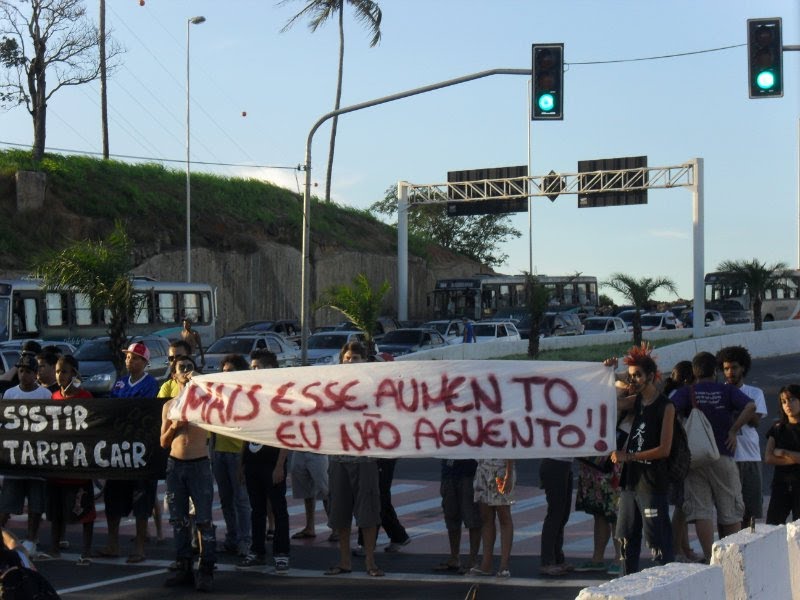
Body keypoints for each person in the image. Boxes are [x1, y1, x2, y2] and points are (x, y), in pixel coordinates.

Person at [670, 351, 756, 562]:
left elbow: (668, 409)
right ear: (715, 371)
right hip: (722, 454)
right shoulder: (725, 391)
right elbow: (751, 406)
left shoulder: (687, 392)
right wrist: (734, 430)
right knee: (730, 508)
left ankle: (710, 557)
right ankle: (733, 557)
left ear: (694, 372)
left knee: (701, 510)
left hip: (695, 458)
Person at [608, 344, 675, 574]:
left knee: (658, 543)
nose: (633, 380)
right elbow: (611, 402)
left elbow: (664, 449)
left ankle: (666, 586)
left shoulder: (666, 406)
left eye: (638, 375)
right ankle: (628, 584)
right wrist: (612, 373)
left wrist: (630, 456)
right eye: (631, 376)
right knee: (626, 538)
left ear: (651, 376)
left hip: (652, 483)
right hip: (630, 482)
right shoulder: (635, 401)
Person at [324, 341, 383, 578]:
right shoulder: (332, 386)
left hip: (365, 458)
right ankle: (345, 561)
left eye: (355, 358)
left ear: (364, 360)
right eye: (347, 358)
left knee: (368, 514)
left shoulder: (373, 386)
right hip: (338, 458)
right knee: (340, 514)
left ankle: (370, 561)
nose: (350, 362)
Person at [161, 355, 216, 591]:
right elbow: (163, 442)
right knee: (179, 520)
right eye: (180, 368)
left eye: (188, 367)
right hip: (176, 466)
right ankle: (184, 566)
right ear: (174, 375)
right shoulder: (168, 406)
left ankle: (206, 570)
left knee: (203, 520)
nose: (185, 371)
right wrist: (175, 425)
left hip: (199, 465)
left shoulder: (204, 403)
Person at [101, 342, 159, 563]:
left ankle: (140, 548)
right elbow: (111, 406)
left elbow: (142, 408)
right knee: (113, 498)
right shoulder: (120, 382)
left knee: (141, 500)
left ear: (144, 362)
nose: (130, 361)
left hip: (141, 451)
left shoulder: (150, 383)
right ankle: (112, 544)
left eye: (135, 358)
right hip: (119, 450)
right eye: (127, 357)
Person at [237, 349, 290, 574]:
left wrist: (280, 465)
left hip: (272, 462)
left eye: (257, 367)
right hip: (252, 461)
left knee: (278, 509)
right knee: (256, 509)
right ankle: (257, 551)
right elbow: (245, 431)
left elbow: (287, 433)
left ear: (269, 368)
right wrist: (242, 463)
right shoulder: (251, 396)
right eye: (252, 367)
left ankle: (282, 553)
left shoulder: (280, 396)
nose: (253, 370)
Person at [0, 354, 52, 559]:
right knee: (7, 503)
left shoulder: (45, 395)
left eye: (28, 371)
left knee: (36, 504)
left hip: (37, 458)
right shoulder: (10, 394)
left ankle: (31, 540)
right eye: (21, 371)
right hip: (15, 458)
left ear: (35, 373)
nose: (23, 375)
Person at [47, 355, 95, 565]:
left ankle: (86, 550)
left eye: (64, 371)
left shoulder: (85, 396)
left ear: (74, 373)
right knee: (56, 510)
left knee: (84, 510)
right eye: (58, 371)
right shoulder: (54, 397)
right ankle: (55, 547)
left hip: (79, 465)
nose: (60, 376)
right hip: (59, 464)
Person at [717, 346, 767, 530]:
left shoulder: (755, 393)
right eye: (726, 368)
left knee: (751, 509)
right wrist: (744, 407)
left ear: (743, 368)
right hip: (726, 456)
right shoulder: (718, 393)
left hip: (750, 457)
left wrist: (739, 402)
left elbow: (755, 420)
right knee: (727, 509)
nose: (730, 372)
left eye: (734, 367)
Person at [212, 354, 252, 557]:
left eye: (231, 371)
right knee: (226, 499)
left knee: (241, 499)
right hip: (219, 451)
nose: (226, 374)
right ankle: (232, 537)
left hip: (237, 453)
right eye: (224, 371)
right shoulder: (218, 395)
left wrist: (244, 461)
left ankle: (245, 540)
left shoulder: (245, 396)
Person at [662, 360, 700, 563]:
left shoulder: (671, 394)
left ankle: (684, 547)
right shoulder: (679, 397)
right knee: (682, 505)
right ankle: (676, 550)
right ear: (687, 380)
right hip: (678, 456)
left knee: (681, 505)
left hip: (674, 455)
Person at [433, 459, 481, 574]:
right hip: (449, 471)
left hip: (469, 471)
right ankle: (454, 557)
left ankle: (472, 560)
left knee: (472, 516)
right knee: (451, 514)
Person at [470, 458, 515, 577]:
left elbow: (512, 446)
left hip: (501, 469)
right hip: (482, 468)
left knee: (504, 516)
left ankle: (504, 566)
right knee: (486, 517)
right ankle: (486, 564)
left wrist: (509, 473)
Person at [764, 385, 800, 524]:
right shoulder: (777, 428)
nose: (788, 405)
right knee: (772, 526)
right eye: (784, 401)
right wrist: (796, 458)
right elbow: (768, 457)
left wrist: (784, 453)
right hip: (781, 484)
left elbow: (777, 455)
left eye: (792, 400)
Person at [538, 457, 574, 576]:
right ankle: (547, 561)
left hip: (564, 464)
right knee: (556, 513)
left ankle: (558, 558)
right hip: (554, 463)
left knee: (562, 515)